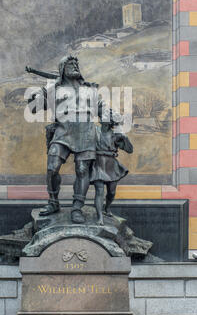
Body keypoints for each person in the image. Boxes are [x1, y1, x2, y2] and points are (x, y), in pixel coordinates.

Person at [27, 55, 104, 224]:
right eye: (70, 64)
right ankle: (53, 202)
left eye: (76, 63)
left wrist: (114, 120)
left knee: (83, 170)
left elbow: (102, 109)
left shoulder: (90, 89)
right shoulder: (55, 89)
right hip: (63, 131)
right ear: (63, 69)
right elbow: (34, 109)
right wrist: (38, 94)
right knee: (52, 168)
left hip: (86, 133)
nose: (75, 65)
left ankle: (77, 208)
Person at [90, 110, 133, 225]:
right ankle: (100, 217)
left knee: (111, 192)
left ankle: (107, 208)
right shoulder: (94, 131)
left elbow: (130, 150)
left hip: (111, 164)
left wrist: (124, 137)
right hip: (98, 164)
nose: (103, 118)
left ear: (110, 122)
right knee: (99, 191)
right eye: (103, 116)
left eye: (106, 117)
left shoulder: (115, 135)